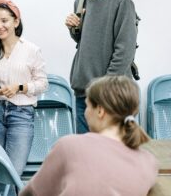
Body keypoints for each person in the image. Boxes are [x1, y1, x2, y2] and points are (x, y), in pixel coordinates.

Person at [20, 75, 158, 196]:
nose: (85, 113)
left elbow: (32, 193)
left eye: (87, 106)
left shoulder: (69, 146)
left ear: (100, 111)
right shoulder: (149, 162)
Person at [65, 0, 138, 133]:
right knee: (86, 158)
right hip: (83, 94)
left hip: (110, 96)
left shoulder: (121, 0)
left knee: (114, 157)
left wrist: (103, 90)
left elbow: (124, 51)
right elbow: (85, 41)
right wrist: (74, 28)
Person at [0, 0, 48, 195]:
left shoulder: (31, 50)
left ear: (16, 22)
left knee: (13, 169)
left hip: (21, 113)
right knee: (0, 169)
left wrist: (19, 87)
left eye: (4, 21)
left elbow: (43, 83)